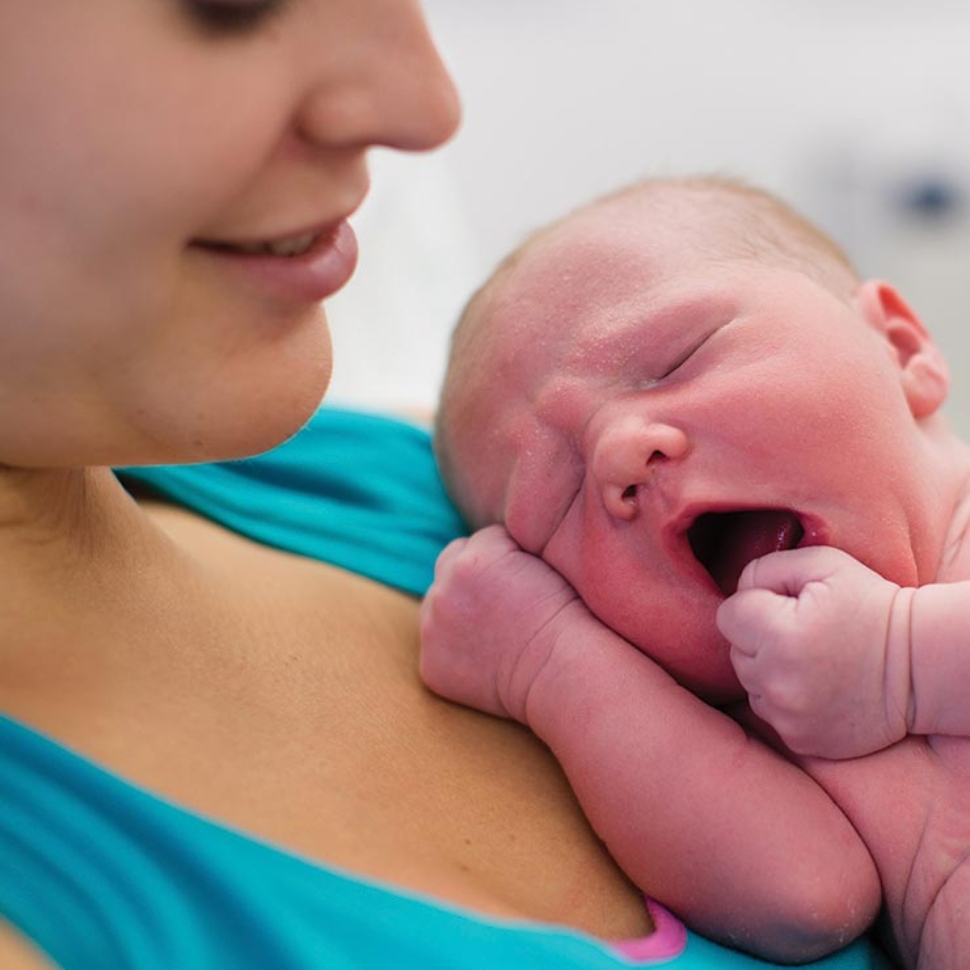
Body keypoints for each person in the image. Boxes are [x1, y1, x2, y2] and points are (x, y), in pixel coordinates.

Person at [0, 6, 894, 970]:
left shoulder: (398, 479)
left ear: (904, 349)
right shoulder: (503, 520)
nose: (424, 109)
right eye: (234, 3)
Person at [421, 175, 970, 969]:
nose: (618, 452)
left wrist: (902, 659)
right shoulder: (775, 729)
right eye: (557, 501)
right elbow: (807, 898)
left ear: (900, 348)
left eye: (675, 362)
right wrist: (548, 661)